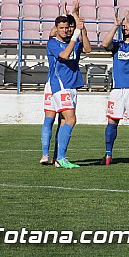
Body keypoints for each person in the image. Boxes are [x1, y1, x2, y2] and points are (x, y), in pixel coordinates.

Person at [40, 11, 91, 168]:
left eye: (67, 27)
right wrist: (75, 36)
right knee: (70, 119)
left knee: (64, 121)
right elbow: (64, 55)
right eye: (61, 28)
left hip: (72, 86)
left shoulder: (73, 40)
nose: (65, 30)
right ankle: (56, 157)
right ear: (56, 28)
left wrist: (81, 29)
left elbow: (88, 48)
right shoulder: (53, 43)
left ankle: (58, 158)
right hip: (59, 85)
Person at [100, 10, 129, 166]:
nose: (126, 28)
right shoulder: (117, 45)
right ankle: (108, 154)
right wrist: (115, 26)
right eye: (125, 27)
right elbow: (104, 44)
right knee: (112, 121)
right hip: (117, 88)